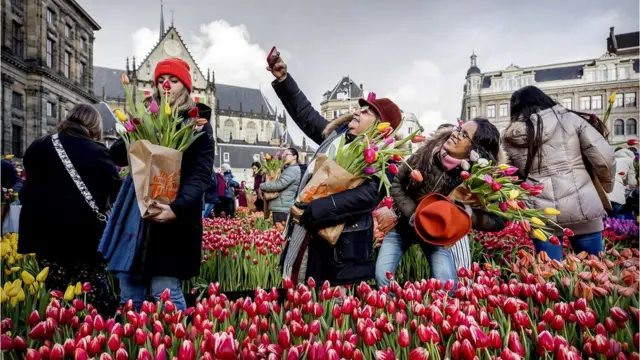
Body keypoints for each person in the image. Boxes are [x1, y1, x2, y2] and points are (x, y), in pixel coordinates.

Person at [268, 53, 397, 285]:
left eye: (366, 111)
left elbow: (367, 196)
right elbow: (306, 115)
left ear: (381, 126)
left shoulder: (384, 157)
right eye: (360, 108)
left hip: (344, 246)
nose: (357, 112)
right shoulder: (336, 135)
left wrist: (317, 209)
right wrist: (284, 79)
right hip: (307, 232)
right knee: (300, 294)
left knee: (334, 309)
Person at [101, 58, 214, 310]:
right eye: (162, 80)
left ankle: (177, 347)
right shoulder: (145, 115)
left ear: (184, 87)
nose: (166, 84)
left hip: (172, 218)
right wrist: (135, 127)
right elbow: (117, 155)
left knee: (165, 291)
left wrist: (178, 208)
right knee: (129, 295)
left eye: (174, 81)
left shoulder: (197, 125)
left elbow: (201, 174)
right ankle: (134, 347)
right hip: (136, 215)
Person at [375, 119, 507, 288]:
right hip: (404, 225)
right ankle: (390, 312)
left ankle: (442, 311)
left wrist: (467, 214)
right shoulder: (427, 151)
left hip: (436, 234)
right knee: (382, 276)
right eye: (459, 129)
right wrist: (413, 214)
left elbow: (499, 220)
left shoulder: (480, 179)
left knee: (447, 285)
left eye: (464, 135)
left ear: (476, 149)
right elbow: (397, 183)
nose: (456, 134)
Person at [18, 104, 122, 313]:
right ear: (94, 126)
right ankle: (94, 335)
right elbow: (115, 191)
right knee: (93, 293)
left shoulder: (37, 147)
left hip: (43, 235)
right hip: (83, 237)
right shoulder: (97, 151)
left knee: (55, 293)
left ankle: (57, 337)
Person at [502, 85, 614, 261]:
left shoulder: (510, 137)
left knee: (550, 276)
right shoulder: (570, 119)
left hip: (542, 215)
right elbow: (604, 158)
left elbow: (509, 176)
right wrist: (606, 186)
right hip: (584, 206)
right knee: (595, 272)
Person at [260, 148, 301, 224]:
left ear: (294, 157)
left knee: (280, 232)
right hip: (281, 206)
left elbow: (279, 185)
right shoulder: (288, 169)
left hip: (282, 208)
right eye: (283, 155)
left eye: (286, 154)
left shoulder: (292, 170)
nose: (284, 156)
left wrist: (263, 185)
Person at [608, 147, 637, 219]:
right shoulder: (631, 161)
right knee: (620, 221)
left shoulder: (613, 160)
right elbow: (632, 182)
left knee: (608, 222)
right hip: (617, 193)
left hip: (605, 192)